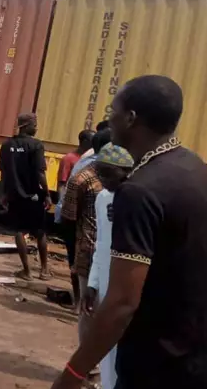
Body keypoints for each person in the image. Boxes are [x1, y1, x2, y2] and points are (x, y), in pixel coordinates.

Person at [52, 75, 207, 389]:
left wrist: (72, 375)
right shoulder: (194, 167)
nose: (109, 119)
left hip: (158, 365)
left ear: (130, 118)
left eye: (114, 110)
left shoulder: (140, 191)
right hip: (198, 356)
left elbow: (123, 303)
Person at [81, 144, 134, 389]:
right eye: (99, 173)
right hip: (105, 282)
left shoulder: (140, 199)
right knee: (107, 346)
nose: (102, 180)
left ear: (126, 172)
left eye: (108, 174)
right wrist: (92, 283)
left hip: (129, 287)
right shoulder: (102, 198)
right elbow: (101, 242)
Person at [61, 137, 106, 337]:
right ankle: (88, 364)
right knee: (90, 310)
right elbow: (68, 219)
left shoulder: (125, 178)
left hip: (105, 252)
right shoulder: (82, 178)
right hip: (89, 251)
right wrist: (75, 255)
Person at [0, 113, 51, 281]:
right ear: (26, 125)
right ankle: (44, 270)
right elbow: (40, 172)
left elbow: (4, 173)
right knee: (40, 232)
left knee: (20, 231)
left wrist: (5, 194)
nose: (36, 127)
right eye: (34, 124)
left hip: (15, 195)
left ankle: (26, 271)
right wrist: (47, 194)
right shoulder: (36, 145)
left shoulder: (6, 145)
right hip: (35, 194)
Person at [57, 130, 94, 198]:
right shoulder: (68, 158)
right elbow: (62, 184)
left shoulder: (91, 158)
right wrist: (62, 203)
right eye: (93, 141)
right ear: (85, 142)